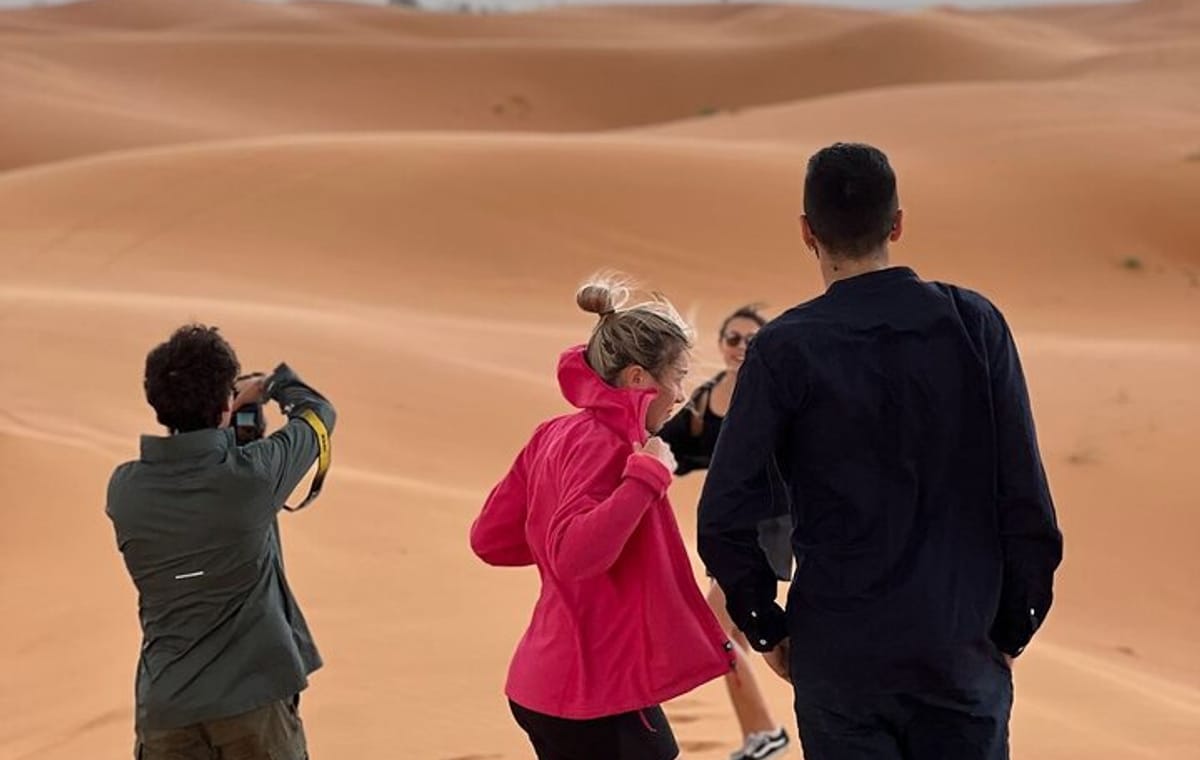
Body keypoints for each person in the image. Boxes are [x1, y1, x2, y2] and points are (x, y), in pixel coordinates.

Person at [697, 143, 1063, 760]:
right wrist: (1013, 626)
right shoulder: (974, 323)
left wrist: (766, 625)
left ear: (807, 234)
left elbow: (725, 512)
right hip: (959, 650)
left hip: (841, 660)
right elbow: (1024, 495)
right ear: (897, 223)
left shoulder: (784, 348)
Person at [470, 275, 732, 760]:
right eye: (676, 377)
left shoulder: (555, 433)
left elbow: (491, 539)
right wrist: (646, 478)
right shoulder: (609, 445)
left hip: (547, 681)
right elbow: (572, 555)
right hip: (590, 693)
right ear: (638, 379)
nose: (679, 395)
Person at [106, 324, 336, 760]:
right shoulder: (252, 478)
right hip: (253, 705)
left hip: (167, 706)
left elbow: (197, 487)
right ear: (226, 405)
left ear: (156, 404)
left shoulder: (124, 489)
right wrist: (271, 385)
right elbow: (318, 414)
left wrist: (227, 425)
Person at [659, 305, 792, 760]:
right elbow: (662, 443)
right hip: (727, 530)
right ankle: (760, 733)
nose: (740, 347)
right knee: (728, 633)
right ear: (720, 344)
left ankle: (768, 734)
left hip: (768, 526)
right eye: (733, 339)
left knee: (720, 630)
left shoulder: (774, 392)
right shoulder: (705, 398)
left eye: (751, 339)